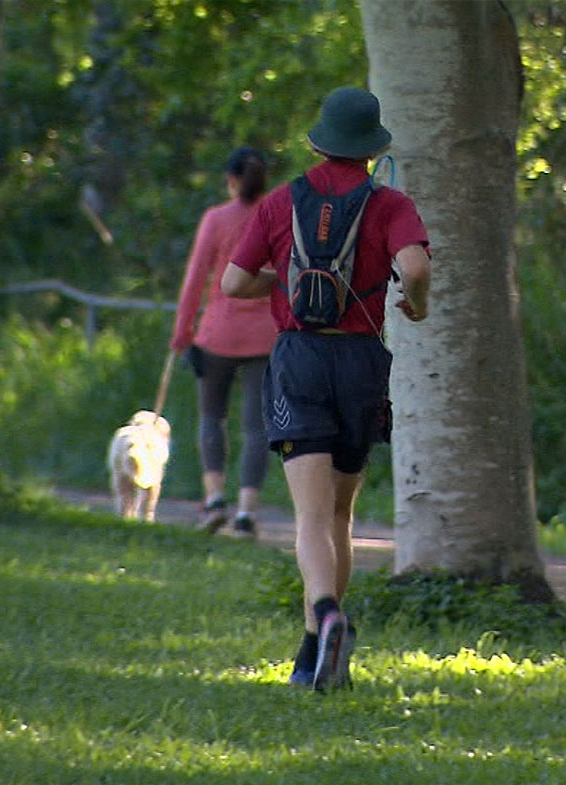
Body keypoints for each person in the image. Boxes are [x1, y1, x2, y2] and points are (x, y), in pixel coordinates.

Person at [221, 87, 431, 692]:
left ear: (318, 142)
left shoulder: (281, 201)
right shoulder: (390, 204)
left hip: (300, 359)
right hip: (362, 362)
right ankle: (314, 652)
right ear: (372, 150)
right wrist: (415, 305)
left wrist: (284, 283)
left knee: (309, 515)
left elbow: (235, 283)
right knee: (340, 511)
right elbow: (415, 267)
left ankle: (325, 616)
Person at [170, 147, 277, 541]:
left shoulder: (216, 219)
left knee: (212, 417)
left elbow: (195, 279)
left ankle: (215, 500)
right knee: (257, 428)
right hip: (266, 336)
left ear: (231, 180)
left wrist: (182, 331)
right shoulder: (278, 216)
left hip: (216, 333)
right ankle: (247, 513)